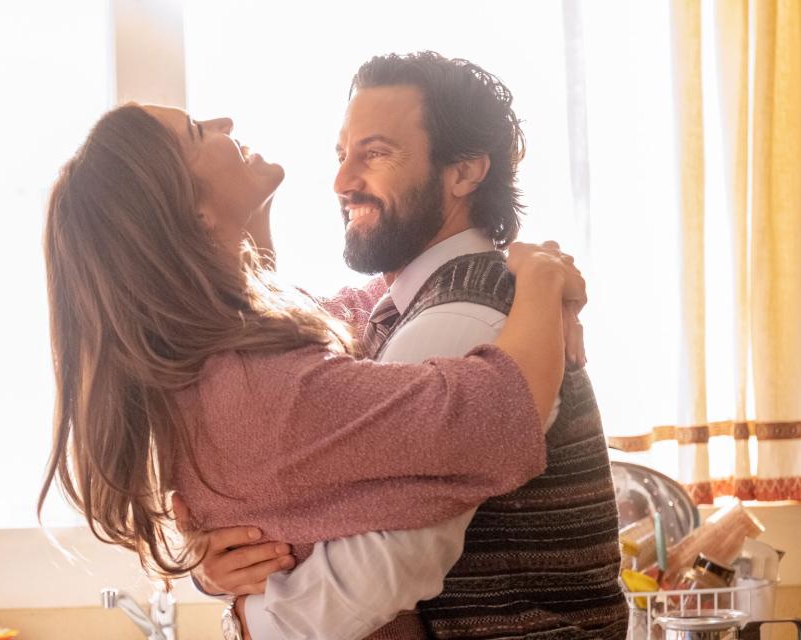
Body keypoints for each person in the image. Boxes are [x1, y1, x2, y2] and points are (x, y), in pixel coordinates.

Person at [37, 101, 586, 639]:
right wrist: (538, 277)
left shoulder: (218, 362)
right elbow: (494, 416)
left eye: (371, 153)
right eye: (198, 132)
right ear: (193, 214)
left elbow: (369, 307)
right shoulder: (259, 390)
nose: (225, 120)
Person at [185, 52, 629, 640]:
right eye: (342, 155)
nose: (343, 182)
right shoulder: (394, 306)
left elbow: (381, 567)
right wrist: (215, 565)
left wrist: (245, 616)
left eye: (374, 154)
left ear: (465, 172)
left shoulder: (465, 312)